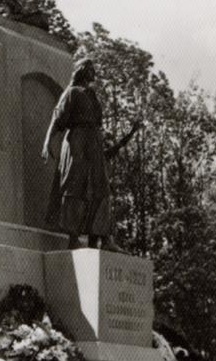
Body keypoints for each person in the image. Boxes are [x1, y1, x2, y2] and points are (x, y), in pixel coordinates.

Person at [42, 58, 142, 250]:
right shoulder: (71, 92)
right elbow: (57, 117)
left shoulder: (92, 95)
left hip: (94, 142)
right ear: (81, 70)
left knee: (101, 187)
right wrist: (47, 142)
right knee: (74, 186)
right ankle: (73, 236)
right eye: (90, 68)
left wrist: (129, 133)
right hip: (77, 141)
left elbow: (98, 124)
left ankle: (103, 237)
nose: (94, 72)